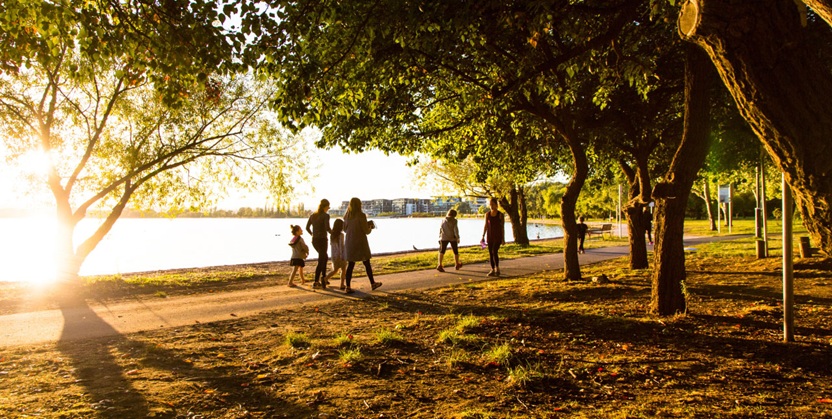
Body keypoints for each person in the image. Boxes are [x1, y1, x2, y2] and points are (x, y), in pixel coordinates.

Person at [343, 197, 382, 294]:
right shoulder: (361, 215)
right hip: (360, 242)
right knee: (366, 263)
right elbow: (366, 231)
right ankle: (373, 283)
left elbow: (344, 230)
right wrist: (370, 227)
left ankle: (347, 286)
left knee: (350, 264)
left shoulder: (346, 216)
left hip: (349, 242)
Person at [306, 199, 332, 289]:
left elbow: (307, 227)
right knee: (322, 259)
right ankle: (317, 281)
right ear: (325, 206)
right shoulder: (325, 216)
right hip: (322, 240)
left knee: (324, 257)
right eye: (328, 206)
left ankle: (323, 278)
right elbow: (327, 228)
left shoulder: (313, 215)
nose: (329, 208)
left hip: (315, 240)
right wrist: (335, 233)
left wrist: (312, 234)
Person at [481, 197, 505, 277]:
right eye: (490, 204)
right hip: (490, 236)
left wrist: (503, 239)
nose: (491, 206)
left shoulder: (500, 215)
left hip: (497, 236)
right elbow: (486, 226)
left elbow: (502, 227)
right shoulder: (487, 214)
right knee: (490, 253)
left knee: (494, 251)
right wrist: (483, 236)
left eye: (493, 204)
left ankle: (497, 269)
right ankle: (492, 269)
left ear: (496, 205)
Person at [325, 218, 347, 290]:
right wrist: (342, 256)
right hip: (340, 255)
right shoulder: (341, 235)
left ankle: (325, 279)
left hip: (334, 255)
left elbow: (334, 246)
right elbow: (341, 246)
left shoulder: (332, 235)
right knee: (343, 269)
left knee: (335, 270)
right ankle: (342, 284)